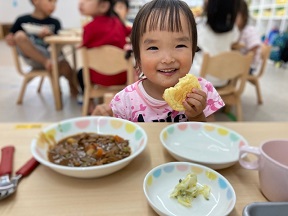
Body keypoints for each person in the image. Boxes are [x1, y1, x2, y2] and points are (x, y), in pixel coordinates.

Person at [92, 0, 224, 122]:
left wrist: (197, 115)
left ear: (193, 49)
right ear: (138, 58)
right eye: (153, 47)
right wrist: (100, 122)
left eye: (180, 46)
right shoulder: (125, 102)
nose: (167, 59)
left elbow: (207, 136)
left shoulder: (203, 91)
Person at [5, 0, 78, 96]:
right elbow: (10, 37)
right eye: (50, 1)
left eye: (55, 3)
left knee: (67, 67)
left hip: (53, 56)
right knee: (19, 36)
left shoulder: (55, 22)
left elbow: (59, 44)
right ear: (35, 1)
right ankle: (46, 62)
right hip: (34, 57)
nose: (53, 6)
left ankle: (73, 87)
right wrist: (10, 39)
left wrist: (50, 36)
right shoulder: (22, 20)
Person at [77, 0, 132, 110]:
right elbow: (128, 31)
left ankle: (90, 104)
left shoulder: (88, 28)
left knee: (80, 73)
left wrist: (80, 45)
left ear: (104, 6)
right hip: (121, 76)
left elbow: (84, 45)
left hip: (98, 77)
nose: (81, 3)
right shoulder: (118, 22)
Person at [190, 0, 240, 87]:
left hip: (200, 78)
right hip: (223, 78)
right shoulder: (234, 30)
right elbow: (234, 41)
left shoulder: (200, 27)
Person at [235, 0, 262, 74]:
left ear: (244, 16)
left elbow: (254, 49)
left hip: (249, 66)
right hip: (237, 63)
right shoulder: (235, 31)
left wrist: (243, 62)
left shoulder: (249, 30)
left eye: (235, 15)